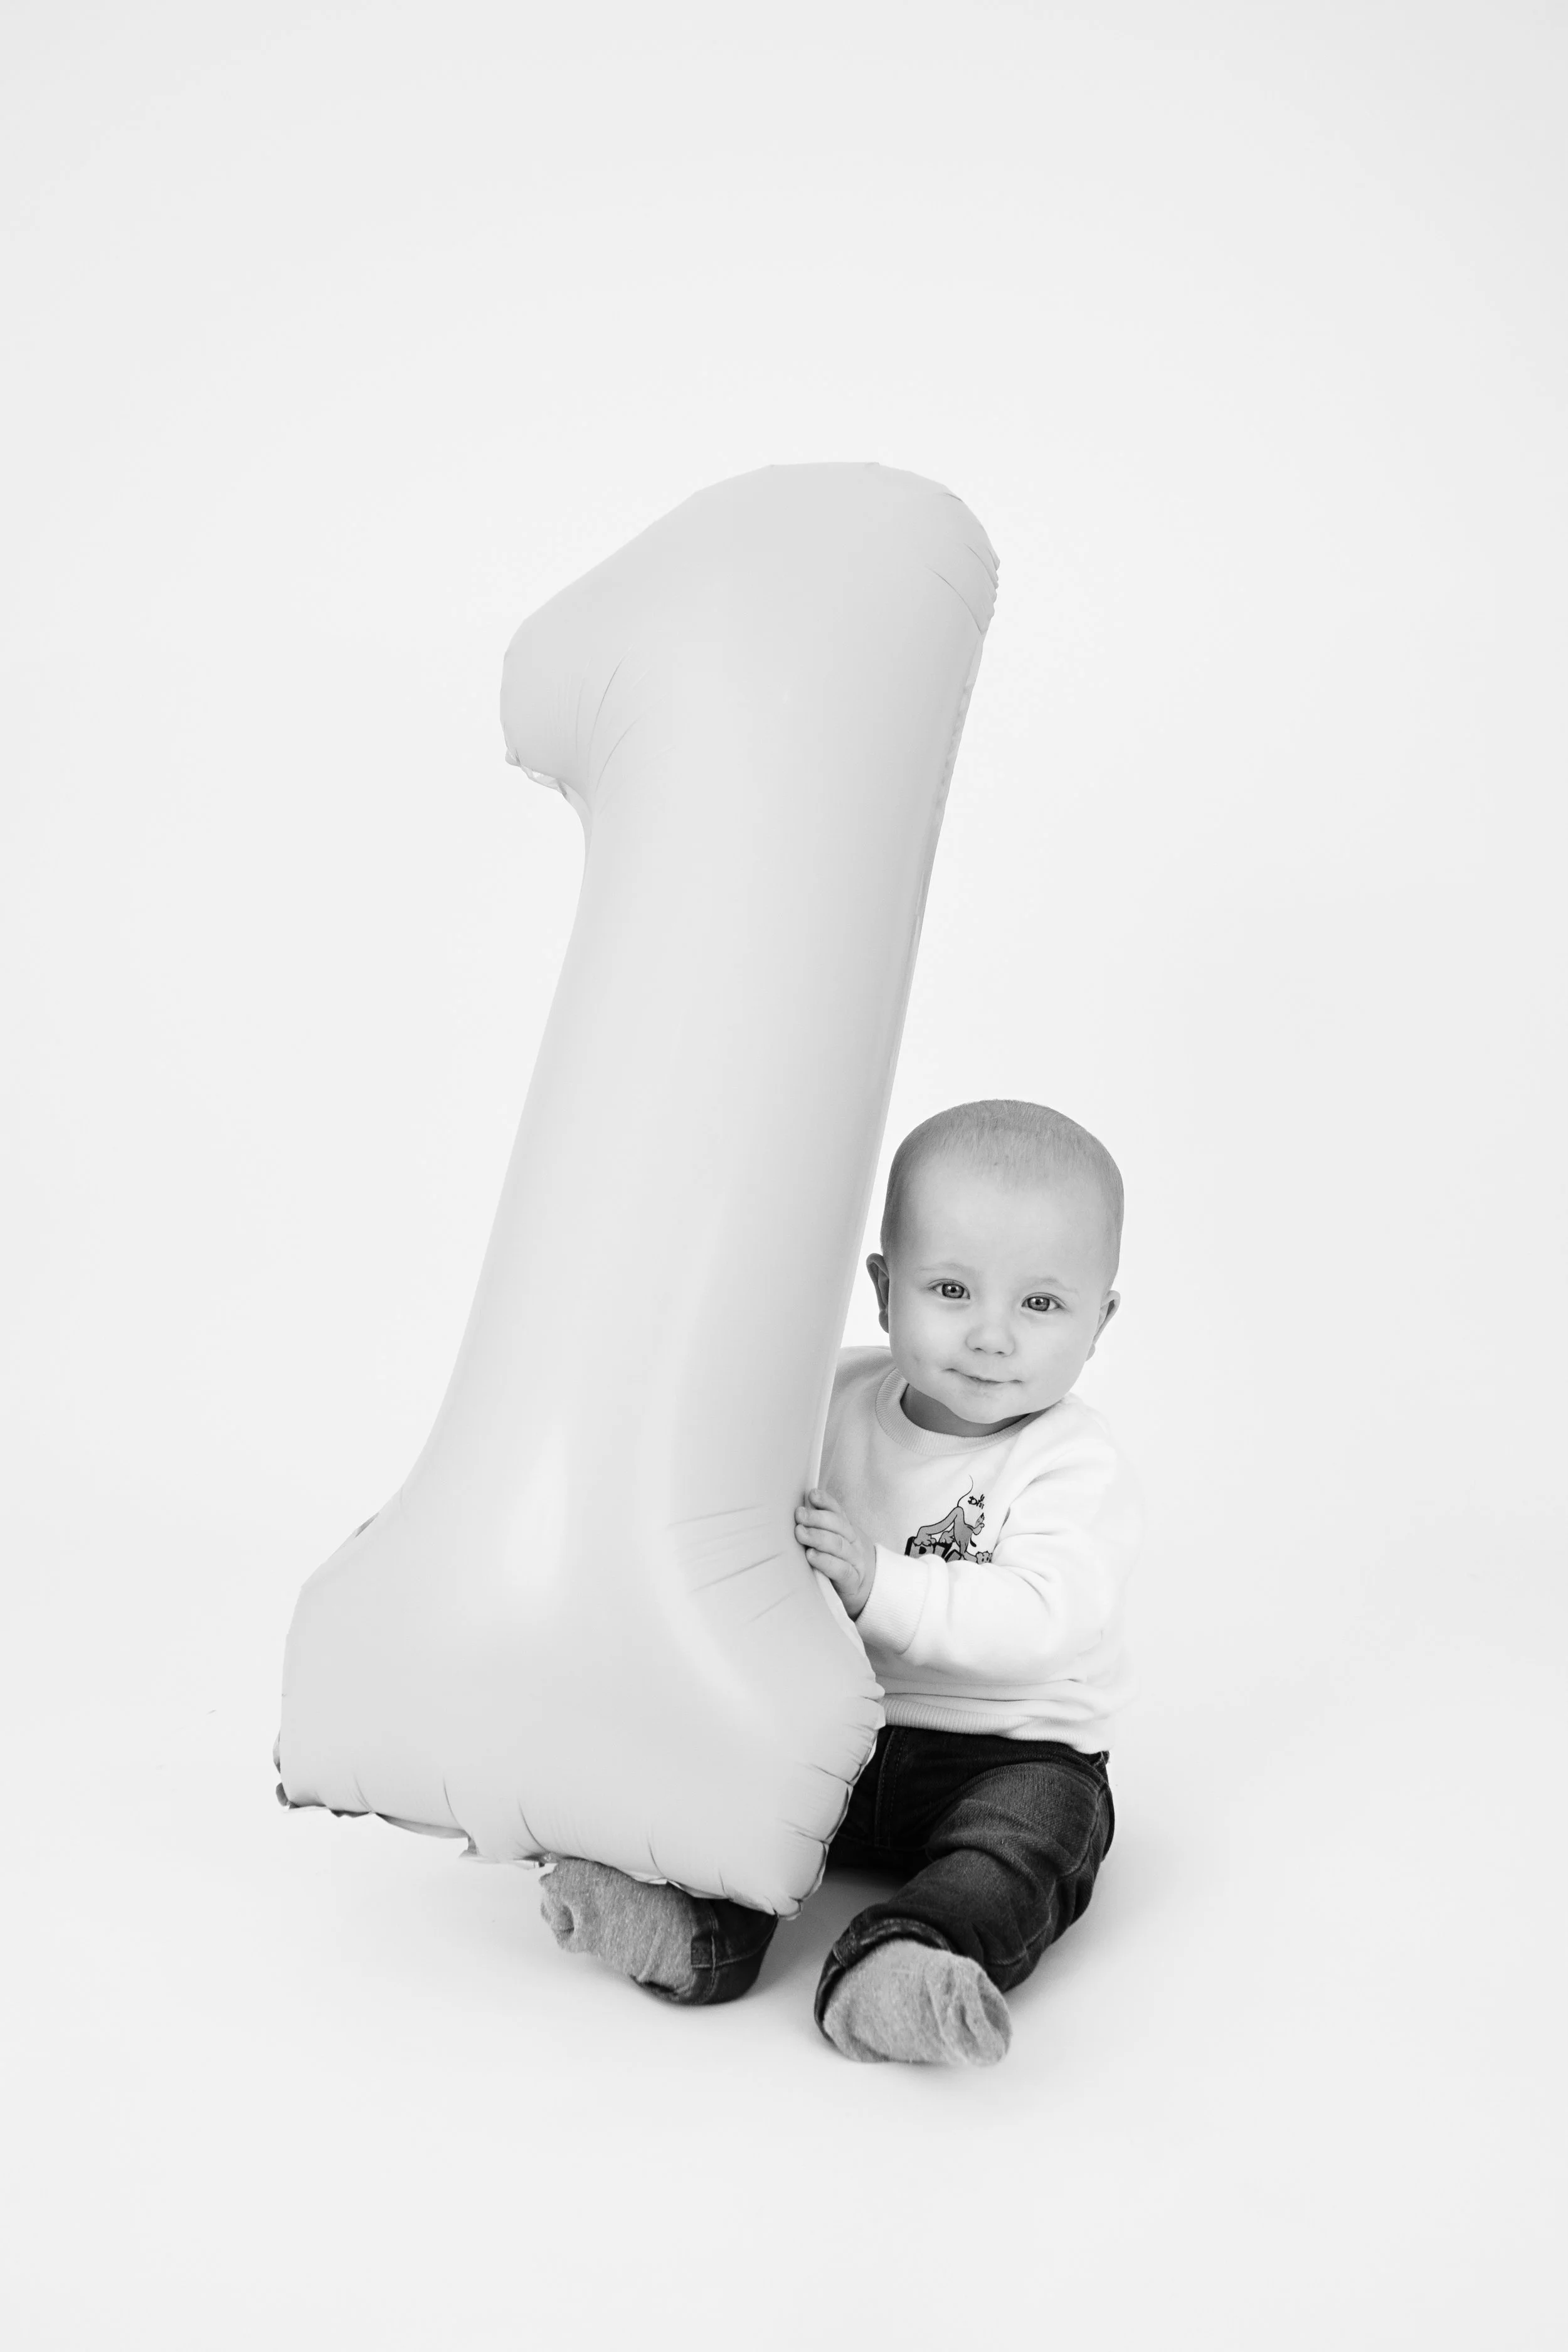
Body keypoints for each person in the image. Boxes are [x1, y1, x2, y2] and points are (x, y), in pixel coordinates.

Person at [538, 1099, 1142, 2066]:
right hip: (832, 1729)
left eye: (1041, 1304)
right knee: (728, 1787)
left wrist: (880, 1586)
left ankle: (907, 1957)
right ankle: (687, 1924)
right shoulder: (834, 1397)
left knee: (1031, 1838)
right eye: (951, 1288)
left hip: (1006, 1747)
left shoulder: (1073, 1462)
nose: (992, 1335)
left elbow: (1044, 1620)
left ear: (1100, 1320)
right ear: (882, 1286)